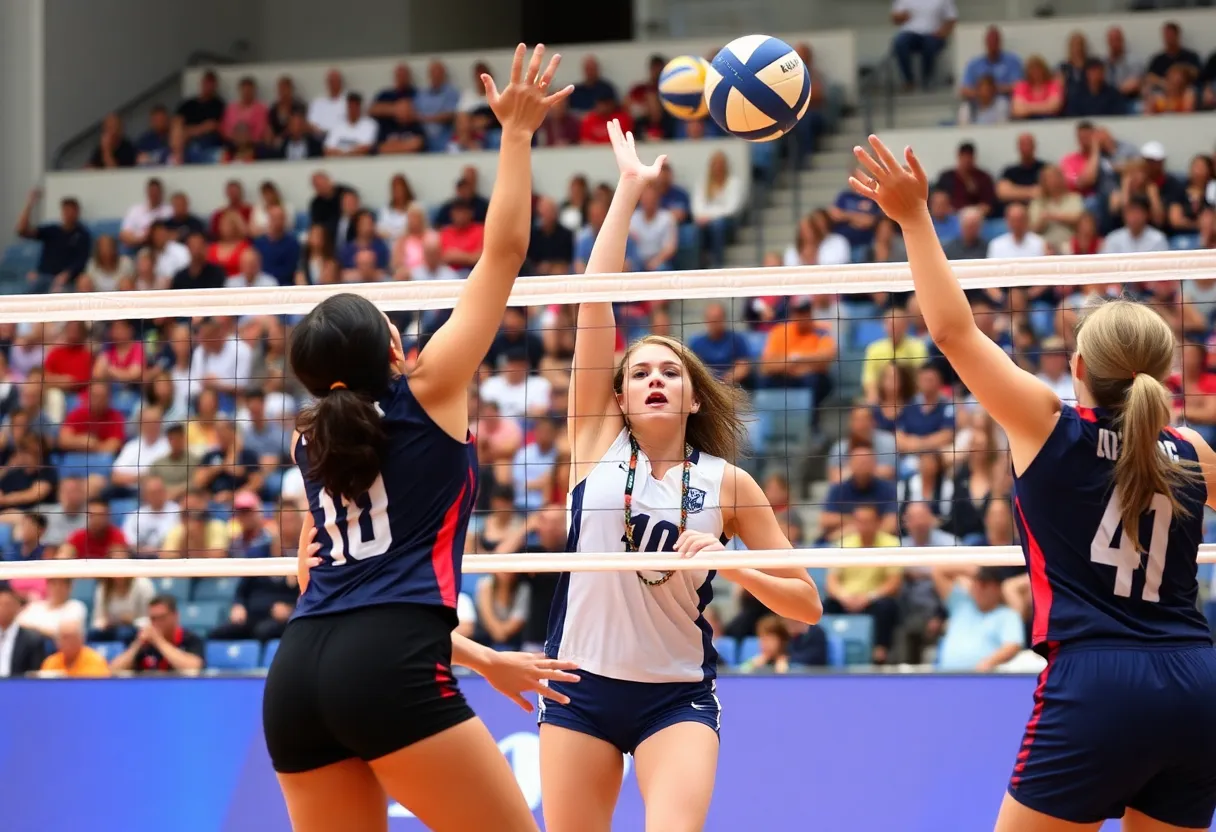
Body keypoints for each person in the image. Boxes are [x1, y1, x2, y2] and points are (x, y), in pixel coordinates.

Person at [850, 134, 1216, 832]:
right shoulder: (1192, 449)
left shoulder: (1050, 424)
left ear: (1077, 367)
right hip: (1197, 681)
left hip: (1097, 682)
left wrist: (914, 217)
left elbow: (954, 333)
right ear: (1165, 374)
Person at [262, 45, 580, 832]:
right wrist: (515, 133)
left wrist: (483, 659)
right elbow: (504, 253)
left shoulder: (311, 442)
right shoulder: (429, 389)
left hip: (297, 676)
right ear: (397, 352)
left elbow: (331, 584)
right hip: (390, 667)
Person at [539, 119, 822, 832]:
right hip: (579, 685)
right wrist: (630, 191)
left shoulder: (728, 484)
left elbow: (807, 603)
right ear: (621, 395)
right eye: (641, 372)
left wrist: (736, 565)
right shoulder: (594, 440)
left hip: (675, 695)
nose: (656, 379)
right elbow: (594, 301)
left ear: (694, 396)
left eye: (672, 371)